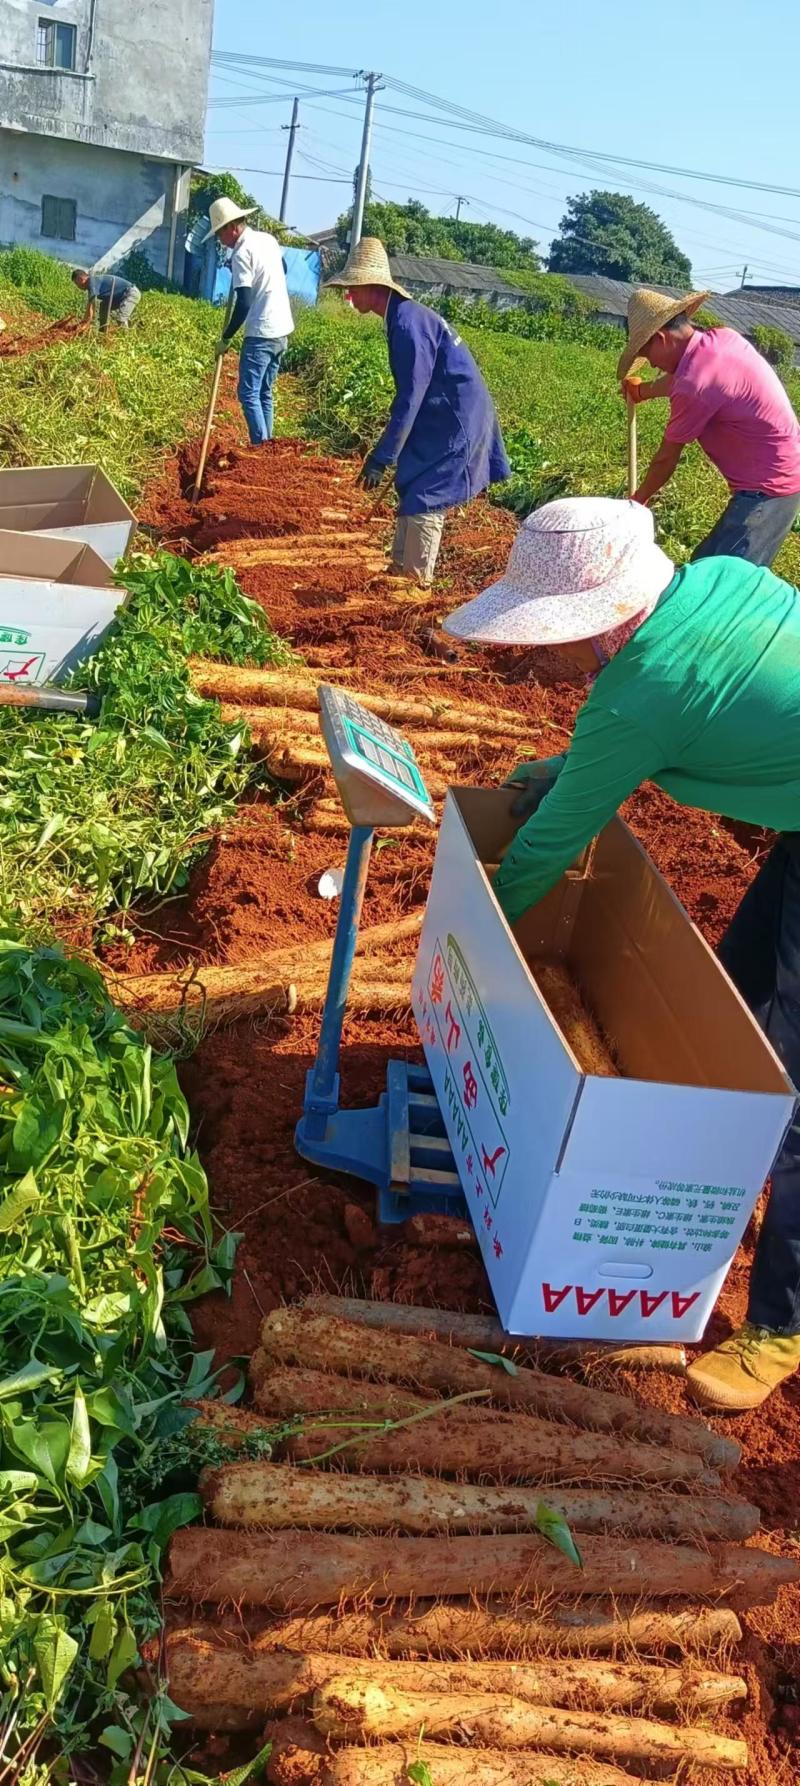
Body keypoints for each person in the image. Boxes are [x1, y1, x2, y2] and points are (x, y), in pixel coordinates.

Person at [445, 495, 800, 1414]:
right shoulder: (717, 582)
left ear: (600, 623)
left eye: (544, 637)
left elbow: (546, 851)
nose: (537, 656)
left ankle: (782, 1327)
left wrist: (478, 943)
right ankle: (719, 1174)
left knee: (793, 1086)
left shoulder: (636, 692)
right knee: (737, 1003)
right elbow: (670, 720)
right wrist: (570, 765)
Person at [326, 238, 510, 586]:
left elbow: (411, 396)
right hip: (437, 414)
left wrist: (382, 457)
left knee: (429, 492)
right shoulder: (401, 318)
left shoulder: (409, 325)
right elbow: (410, 394)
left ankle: (416, 582)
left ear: (372, 286)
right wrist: (391, 452)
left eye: (353, 288)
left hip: (455, 419)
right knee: (412, 480)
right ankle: (399, 569)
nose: (349, 295)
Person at [619, 287, 800, 565]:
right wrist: (642, 392)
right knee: (703, 566)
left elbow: (666, 460)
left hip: (769, 491)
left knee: (725, 583)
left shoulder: (694, 386)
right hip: (775, 476)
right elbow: (683, 377)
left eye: (648, 354)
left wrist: (636, 502)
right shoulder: (721, 339)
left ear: (661, 338)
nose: (652, 363)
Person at [204, 197, 295, 447]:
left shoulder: (242, 252)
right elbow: (282, 268)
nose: (220, 240)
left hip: (262, 331)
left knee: (247, 393)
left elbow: (243, 302)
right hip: (282, 330)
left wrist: (226, 337)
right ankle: (267, 447)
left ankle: (260, 447)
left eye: (220, 234)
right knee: (264, 393)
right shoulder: (267, 240)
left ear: (231, 227)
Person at [71, 268, 141, 331]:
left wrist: (83, 324)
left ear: (80, 279)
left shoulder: (92, 282)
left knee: (121, 319)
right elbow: (90, 307)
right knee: (104, 305)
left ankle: (126, 339)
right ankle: (103, 331)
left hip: (130, 293)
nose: (77, 286)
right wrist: (84, 321)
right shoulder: (92, 284)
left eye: (77, 283)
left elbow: (91, 307)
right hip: (118, 297)